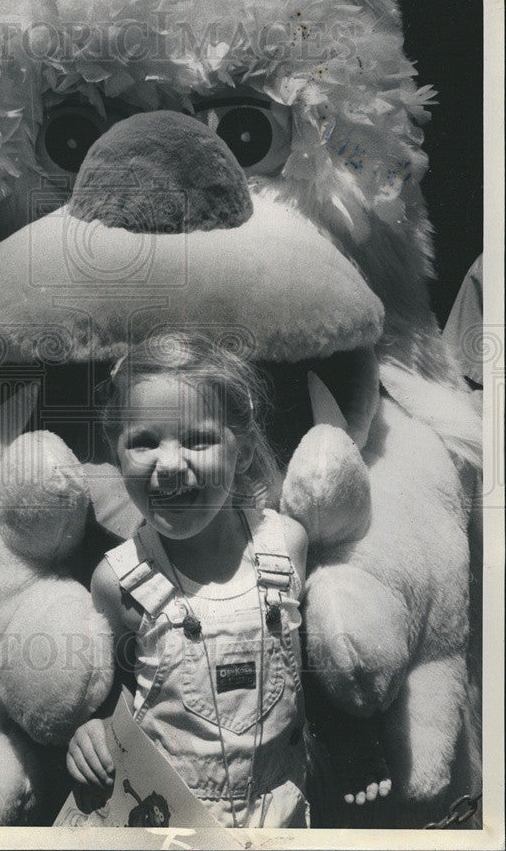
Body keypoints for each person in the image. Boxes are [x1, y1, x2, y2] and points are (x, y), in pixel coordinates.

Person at [66, 332, 390, 828]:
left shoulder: (287, 547)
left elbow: (306, 670)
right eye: (145, 442)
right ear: (117, 453)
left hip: (281, 816)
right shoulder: (117, 582)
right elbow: (124, 689)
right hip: (167, 824)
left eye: (198, 439)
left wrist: (347, 739)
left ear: (241, 451)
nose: (171, 465)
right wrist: (92, 732)